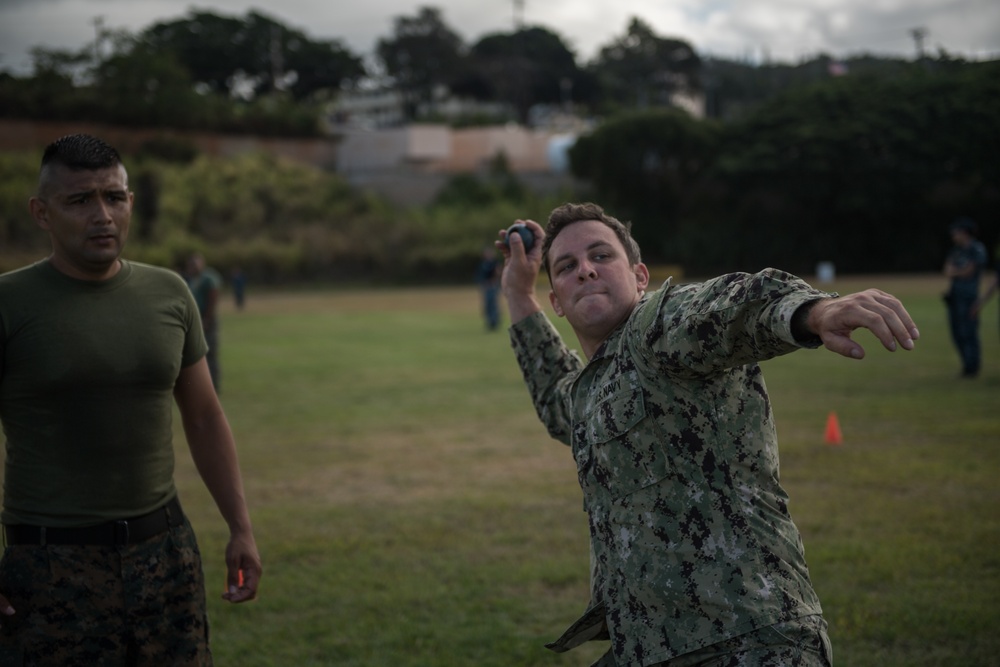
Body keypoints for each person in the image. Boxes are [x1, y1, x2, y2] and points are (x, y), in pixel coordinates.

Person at [497, 202, 919, 667]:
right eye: (566, 266)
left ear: (640, 276)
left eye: (601, 256)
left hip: (749, 640)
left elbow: (726, 306)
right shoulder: (594, 390)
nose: (586, 271)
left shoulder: (656, 327)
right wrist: (519, 292)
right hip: (650, 649)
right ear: (555, 299)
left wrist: (813, 310)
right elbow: (558, 399)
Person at [0, 134, 261, 665]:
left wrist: (240, 528)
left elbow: (206, 417)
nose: (102, 215)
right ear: (42, 212)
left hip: (165, 554)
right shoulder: (10, 304)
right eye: (79, 200)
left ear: (130, 203)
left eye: (114, 197)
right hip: (50, 567)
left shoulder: (169, 293)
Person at [943, 217, 987, 378]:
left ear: (964, 233)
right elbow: (947, 270)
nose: (953, 235)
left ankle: (972, 368)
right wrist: (959, 271)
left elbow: (969, 272)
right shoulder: (956, 250)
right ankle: (966, 365)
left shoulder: (976, 249)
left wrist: (956, 271)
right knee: (957, 333)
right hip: (954, 297)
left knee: (968, 332)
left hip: (968, 298)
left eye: (956, 232)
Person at [185, 252, 224, 391]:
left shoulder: (208, 277)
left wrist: (207, 318)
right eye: (190, 265)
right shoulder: (192, 279)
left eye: (195, 264)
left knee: (210, 352)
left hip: (207, 320)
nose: (192, 267)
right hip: (196, 320)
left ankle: (214, 386)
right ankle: (203, 385)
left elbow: (213, 295)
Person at [476, 245, 502, 331]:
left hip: (493, 286)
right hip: (485, 286)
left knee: (493, 304)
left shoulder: (495, 263)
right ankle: (489, 322)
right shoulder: (483, 263)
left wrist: (493, 281)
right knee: (487, 305)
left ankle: (494, 322)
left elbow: (498, 273)